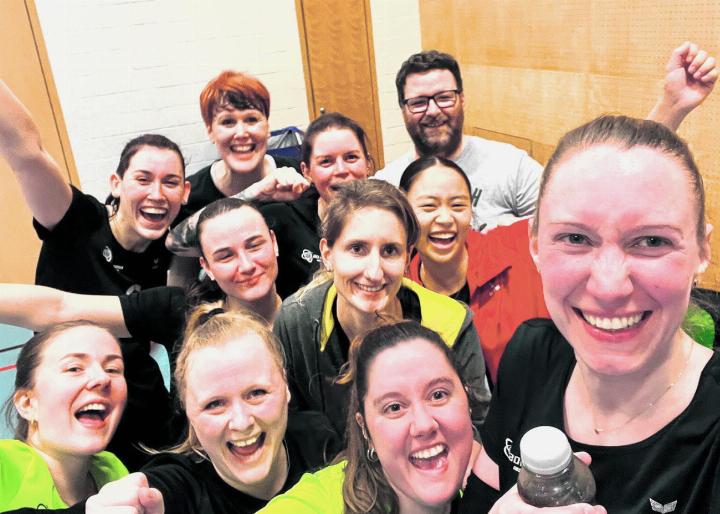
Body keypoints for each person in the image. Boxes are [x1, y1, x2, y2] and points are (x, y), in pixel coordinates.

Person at [461, 115, 720, 513]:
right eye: (576, 238)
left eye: (651, 241)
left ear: (702, 250)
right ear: (535, 245)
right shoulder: (531, 355)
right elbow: (481, 497)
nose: (609, 286)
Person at [375, 43, 717, 230]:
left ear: (462, 99)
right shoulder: (387, 185)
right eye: (418, 102)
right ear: (403, 109)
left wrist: (671, 107)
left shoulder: (507, 164)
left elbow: (590, 199)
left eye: (444, 97)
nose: (433, 110)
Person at [273, 179, 490, 441]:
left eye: (390, 251)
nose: (374, 272)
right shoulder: (297, 320)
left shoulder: (451, 323)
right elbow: (292, 422)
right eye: (357, 249)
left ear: (408, 257)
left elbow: (475, 429)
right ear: (327, 254)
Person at [77, 307, 333, 513]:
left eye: (257, 393)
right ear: (189, 413)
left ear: (286, 387)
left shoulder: (320, 442)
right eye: (215, 404)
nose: (241, 422)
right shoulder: (178, 490)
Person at [257, 321, 475, 513]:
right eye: (394, 407)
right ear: (365, 430)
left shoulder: (492, 496)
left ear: (467, 398)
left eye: (438, 395)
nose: (424, 424)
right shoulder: (326, 501)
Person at [169, 112, 374, 298]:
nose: (341, 170)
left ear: (368, 164)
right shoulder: (285, 216)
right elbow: (177, 242)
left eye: (351, 157)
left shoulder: (386, 214)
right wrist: (255, 192)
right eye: (326, 162)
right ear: (306, 171)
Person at [400, 156, 549, 384]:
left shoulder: (519, 247)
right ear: (404, 212)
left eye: (458, 205)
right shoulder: (399, 294)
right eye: (429, 206)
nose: (445, 218)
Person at [0, 321, 128, 510]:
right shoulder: (4, 463)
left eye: (112, 369)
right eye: (74, 368)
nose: (103, 378)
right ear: (27, 403)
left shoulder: (112, 471)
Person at [176, 70, 308, 224]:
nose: (241, 133)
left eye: (251, 119)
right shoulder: (190, 198)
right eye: (227, 122)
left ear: (267, 127)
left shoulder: (302, 178)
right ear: (210, 131)